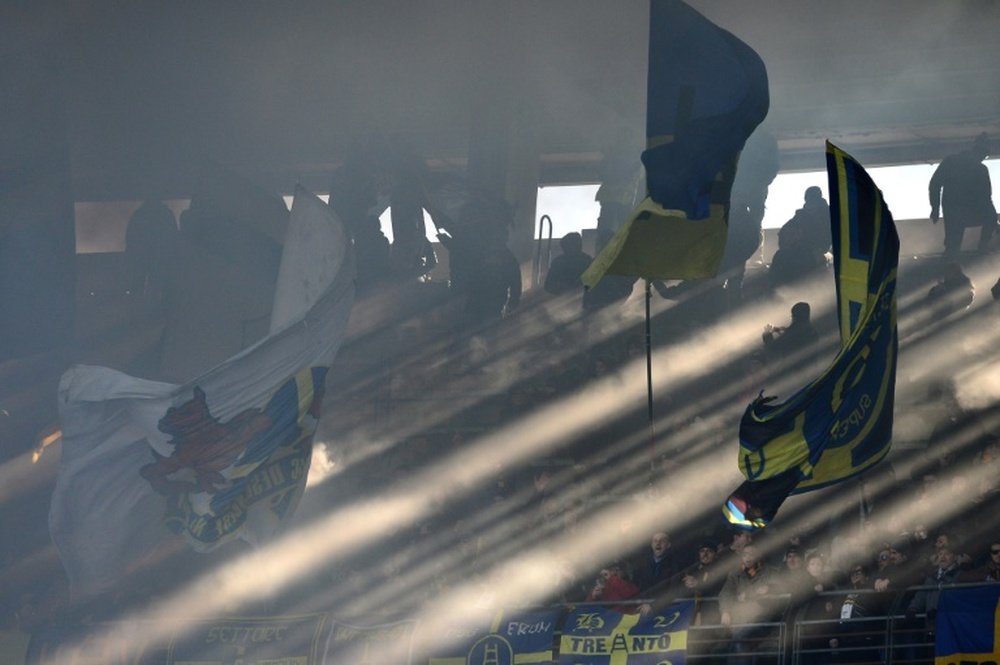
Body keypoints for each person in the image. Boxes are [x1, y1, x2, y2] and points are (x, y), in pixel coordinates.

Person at [928, 133, 997, 255]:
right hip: (956, 210)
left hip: (957, 210)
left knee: (953, 244)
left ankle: (981, 247)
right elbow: (935, 184)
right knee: (953, 243)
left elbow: (986, 197)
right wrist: (935, 207)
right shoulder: (955, 163)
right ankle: (981, 247)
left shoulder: (953, 162)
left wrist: (935, 208)